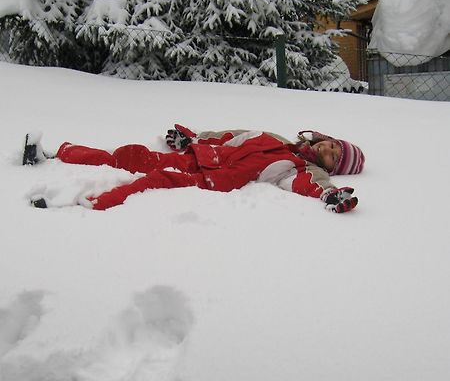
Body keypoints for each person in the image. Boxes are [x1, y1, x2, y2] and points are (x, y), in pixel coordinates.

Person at [22, 124, 364, 213]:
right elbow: (231, 136)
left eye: (334, 156)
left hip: (210, 179)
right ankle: (56, 155)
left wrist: (331, 194)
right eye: (332, 144)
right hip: (197, 157)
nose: (327, 150)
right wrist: (193, 138)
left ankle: (76, 205)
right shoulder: (274, 137)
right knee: (131, 155)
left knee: (152, 181)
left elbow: (309, 183)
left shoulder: (295, 167)